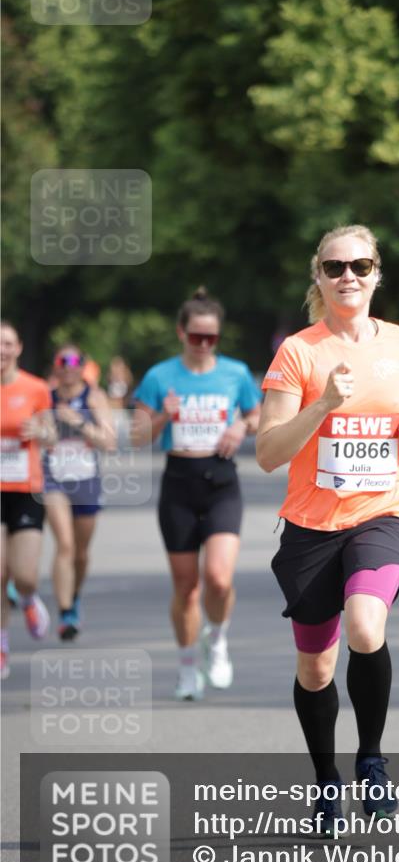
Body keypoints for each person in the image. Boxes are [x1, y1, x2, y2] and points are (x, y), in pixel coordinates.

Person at [257, 224, 399, 835]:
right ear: (319, 276)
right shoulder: (299, 352)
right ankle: (326, 782)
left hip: (383, 510)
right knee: (315, 668)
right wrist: (321, 406)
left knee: (367, 624)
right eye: (335, 267)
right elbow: (267, 453)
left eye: (360, 266)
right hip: (311, 524)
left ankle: (370, 758)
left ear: (376, 274)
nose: (348, 277)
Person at [133, 288, 261, 701]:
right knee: (187, 587)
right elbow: (136, 436)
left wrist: (241, 426)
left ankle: (218, 640)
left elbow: (257, 414)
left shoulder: (236, 373)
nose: (204, 345)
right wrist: (162, 416)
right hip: (179, 482)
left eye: (212, 338)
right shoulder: (159, 376)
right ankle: (187, 665)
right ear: (181, 333)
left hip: (221, 480)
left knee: (219, 579)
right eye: (196, 337)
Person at [43, 345, 116, 640]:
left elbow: (108, 443)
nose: (69, 366)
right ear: (55, 366)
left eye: (76, 362)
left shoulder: (94, 398)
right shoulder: (44, 397)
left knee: (81, 553)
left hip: (85, 480)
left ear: (83, 367)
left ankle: (73, 596)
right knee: (65, 545)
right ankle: (64, 614)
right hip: (53, 480)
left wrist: (77, 422)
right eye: (63, 361)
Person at [1, 321, 56, 679]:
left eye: (6, 343)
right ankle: (2, 644)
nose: (1, 350)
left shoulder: (35, 388)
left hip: (26, 491)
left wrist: (40, 431)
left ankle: (29, 598)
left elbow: (51, 434)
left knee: (23, 576)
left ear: (18, 347)